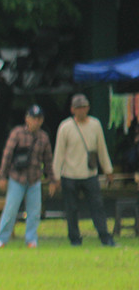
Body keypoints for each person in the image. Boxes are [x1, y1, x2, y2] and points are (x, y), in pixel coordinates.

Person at [52, 93, 116, 247]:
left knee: (97, 207)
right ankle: (74, 239)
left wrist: (108, 170)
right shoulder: (65, 127)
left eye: (84, 107)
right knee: (71, 209)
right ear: (72, 110)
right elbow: (59, 153)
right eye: (78, 108)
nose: (81, 110)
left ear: (88, 108)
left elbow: (101, 149)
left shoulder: (95, 125)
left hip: (90, 174)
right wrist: (56, 176)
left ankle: (105, 237)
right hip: (69, 175)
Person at [0, 104, 55, 249]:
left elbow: (48, 160)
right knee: (10, 210)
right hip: (17, 179)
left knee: (34, 212)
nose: (36, 121)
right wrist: (2, 176)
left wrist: (52, 180)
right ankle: (2, 239)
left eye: (39, 119)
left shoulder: (43, 137)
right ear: (27, 119)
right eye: (33, 118)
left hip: (35, 180)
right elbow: (7, 155)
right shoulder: (17, 133)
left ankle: (31, 240)